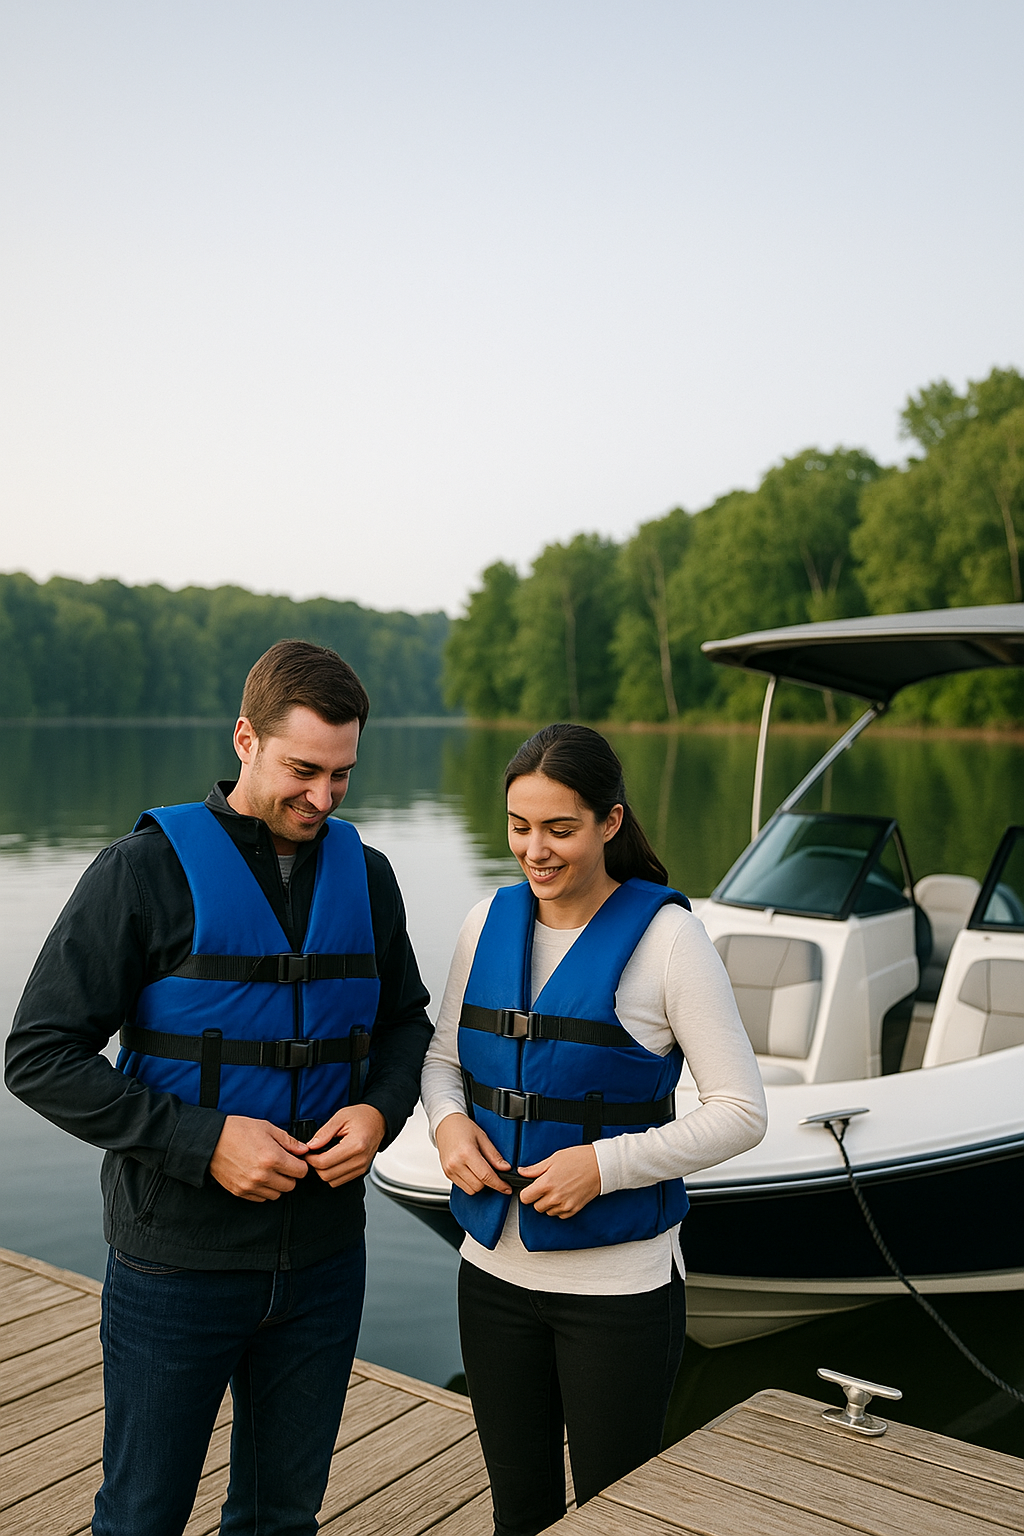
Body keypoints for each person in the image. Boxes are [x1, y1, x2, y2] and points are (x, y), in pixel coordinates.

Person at [4, 640, 432, 1536]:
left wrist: (379, 1108)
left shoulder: (371, 875)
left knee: (282, 1517)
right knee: (141, 1516)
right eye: (303, 770)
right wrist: (204, 1143)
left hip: (323, 1263)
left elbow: (404, 1024)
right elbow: (39, 1055)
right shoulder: (139, 871)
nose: (323, 797)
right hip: (175, 1263)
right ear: (246, 739)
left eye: (343, 775)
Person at [422, 723, 767, 1536]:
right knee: (520, 1509)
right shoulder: (486, 923)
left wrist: (603, 1167)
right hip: (492, 1277)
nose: (534, 850)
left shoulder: (669, 939)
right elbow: (442, 1061)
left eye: (560, 829)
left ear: (610, 823)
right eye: (519, 826)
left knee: (614, 1514)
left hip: (617, 1292)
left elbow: (741, 1112)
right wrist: (448, 1129)